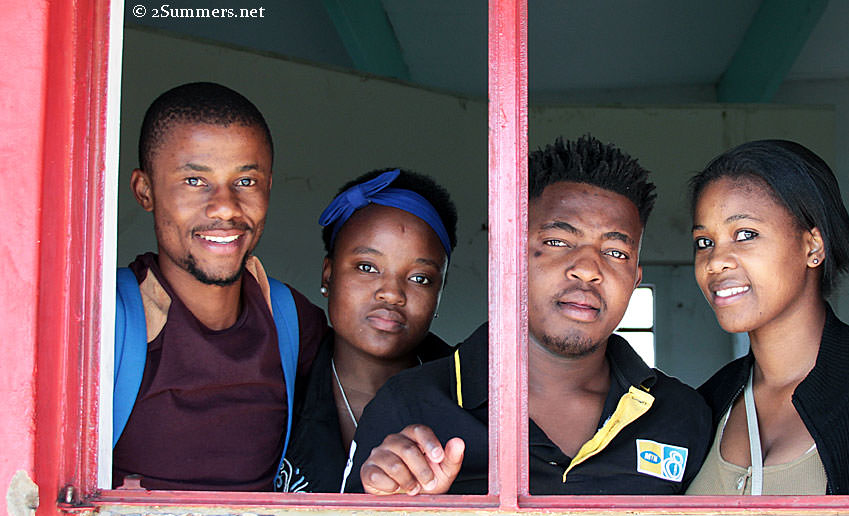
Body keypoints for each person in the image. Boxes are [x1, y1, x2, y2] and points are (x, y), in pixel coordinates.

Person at [343, 135, 712, 495]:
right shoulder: (410, 405)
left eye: (616, 252)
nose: (588, 270)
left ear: (635, 279)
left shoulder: (681, 415)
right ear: (510, 257)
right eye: (557, 242)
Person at [112, 82, 327, 491]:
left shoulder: (292, 324)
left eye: (245, 181)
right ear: (145, 190)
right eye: (195, 180)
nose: (226, 207)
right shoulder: (103, 324)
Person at [684, 140, 849, 495]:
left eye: (745, 235)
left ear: (813, 246)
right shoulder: (706, 404)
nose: (715, 262)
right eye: (704, 242)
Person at [275, 168, 459, 493]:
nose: (391, 293)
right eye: (367, 267)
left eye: (420, 278)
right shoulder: (277, 383)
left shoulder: (471, 398)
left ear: (439, 293)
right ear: (328, 276)